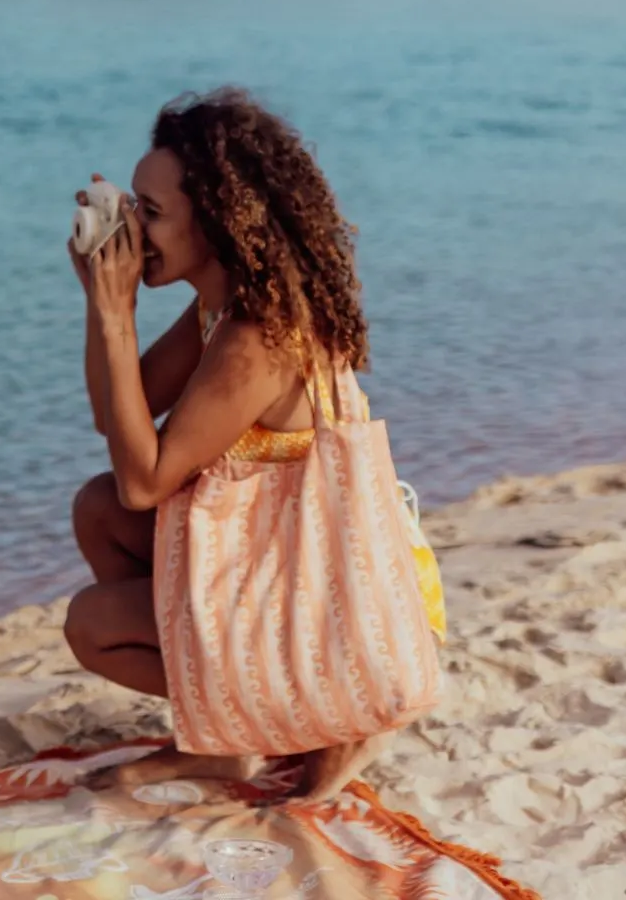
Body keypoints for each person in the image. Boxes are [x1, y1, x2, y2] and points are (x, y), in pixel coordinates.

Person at [63, 87, 446, 799]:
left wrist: (119, 319)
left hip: (329, 618)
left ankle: (316, 725)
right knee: (97, 509)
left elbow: (143, 481)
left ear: (216, 221)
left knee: (94, 625)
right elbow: (116, 419)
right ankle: (223, 739)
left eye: (150, 213)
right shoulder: (223, 306)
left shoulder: (256, 338)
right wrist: (102, 303)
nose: (135, 229)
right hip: (287, 573)